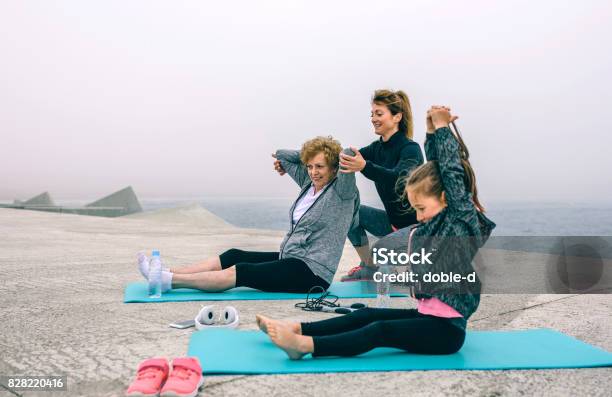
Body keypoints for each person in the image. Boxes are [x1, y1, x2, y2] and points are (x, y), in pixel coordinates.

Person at [256, 105, 495, 359]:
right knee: (367, 314)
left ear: (447, 199)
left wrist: (443, 128)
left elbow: (451, 172)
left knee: (379, 330)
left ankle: (304, 346)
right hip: (428, 316)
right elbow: (437, 167)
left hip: (446, 331)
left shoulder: (459, 223)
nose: (418, 216)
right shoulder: (438, 222)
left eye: (422, 208)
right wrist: (431, 131)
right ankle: (298, 329)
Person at [137, 136, 359, 293]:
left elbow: (347, 154)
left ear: (333, 167)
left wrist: (332, 154)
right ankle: (167, 271)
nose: (313, 172)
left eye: (319, 166)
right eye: (309, 166)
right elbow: (281, 155)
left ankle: (168, 281)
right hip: (291, 259)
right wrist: (309, 154)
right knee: (234, 255)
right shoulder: (308, 184)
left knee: (242, 271)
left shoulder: (342, 192)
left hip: (313, 273)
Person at [338, 89, 424, 281]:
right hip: (393, 225)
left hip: (418, 231)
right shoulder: (376, 148)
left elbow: (399, 178)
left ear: (397, 117)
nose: (374, 118)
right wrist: (298, 162)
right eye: (372, 114)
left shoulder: (410, 149)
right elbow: (342, 159)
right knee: (350, 210)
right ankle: (369, 269)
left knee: (380, 251)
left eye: (379, 113)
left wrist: (364, 166)